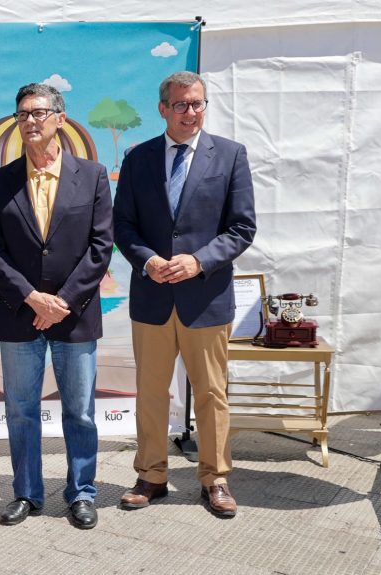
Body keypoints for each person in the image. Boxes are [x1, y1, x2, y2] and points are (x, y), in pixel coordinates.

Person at [114, 71, 256, 518]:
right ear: (163, 109)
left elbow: (242, 227)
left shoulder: (231, 155)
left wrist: (198, 261)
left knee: (212, 393)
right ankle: (151, 476)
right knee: (150, 391)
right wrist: (147, 260)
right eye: (181, 105)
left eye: (197, 104)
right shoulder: (138, 159)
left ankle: (215, 479)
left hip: (206, 297)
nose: (190, 113)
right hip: (152, 296)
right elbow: (123, 226)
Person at [0, 83, 113, 529]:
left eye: (39, 113)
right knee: (20, 410)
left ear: (60, 117)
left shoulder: (93, 176)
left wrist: (63, 302)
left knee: (80, 410)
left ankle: (81, 492)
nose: (30, 122)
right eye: (22, 115)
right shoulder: (1, 182)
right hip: (20, 314)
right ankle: (27, 493)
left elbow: (100, 247)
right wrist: (31, 297)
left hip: (74, 317)